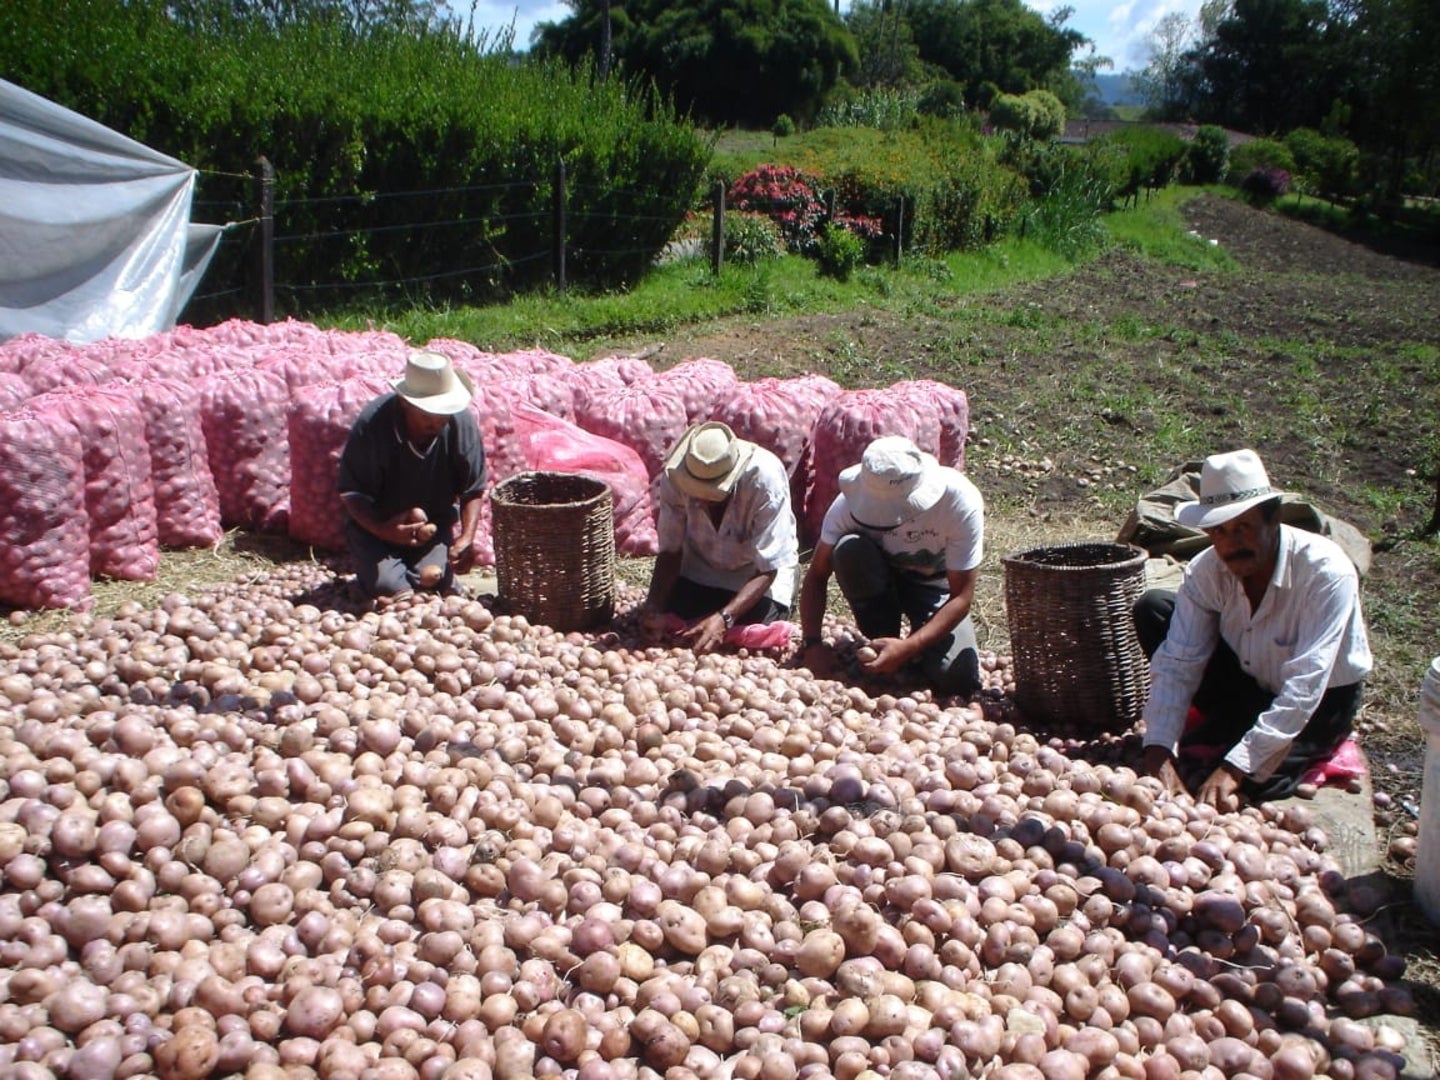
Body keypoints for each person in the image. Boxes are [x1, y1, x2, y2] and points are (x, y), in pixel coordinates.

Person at [1136, 448, 1372, 810]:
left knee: (1258, 780)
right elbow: (1179, 661)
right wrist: (1158, 750)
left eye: (1243, 527)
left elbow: (1307, 683)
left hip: (1321, 701)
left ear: (1273, 518)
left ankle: (1250, 742)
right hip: (1248, 682)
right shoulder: (1206, 571)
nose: (1231, 544)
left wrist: (1235, 768)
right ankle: (1233, 725)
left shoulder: (1325, 572)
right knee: (1155, 609)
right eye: (1219, 530)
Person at [799, 435, 984, 695]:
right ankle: (884, 637)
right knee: (849, 548)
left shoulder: (958, 501)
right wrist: (812, 644)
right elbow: (817, 574)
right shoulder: (845, 508)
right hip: (879, 583)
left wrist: (911, 646)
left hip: (935, 591)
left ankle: (906, 649)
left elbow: (961, 597)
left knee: (957, 679)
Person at [337, 350, 487, 601]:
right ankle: (382, 576)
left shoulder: (461, 423)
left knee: (433, 578)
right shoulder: (373, 424)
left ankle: (417, 573)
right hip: (374, 528)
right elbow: (352, 494)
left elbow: (473, 488)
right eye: (427, 415)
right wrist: (383, 530)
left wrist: (466, 538)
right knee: (390, 588)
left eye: (443, 415)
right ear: (405, 403)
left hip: (433, 527)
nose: (437, 423)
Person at [638, 421, 799, 654]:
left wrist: (725, 618)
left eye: (711, 495)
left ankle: (725, 617)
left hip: (756, 572)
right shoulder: (677, 475)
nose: (701, 501)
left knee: (758, 624)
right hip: (701, 566)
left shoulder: (765, 480)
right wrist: (652, 606)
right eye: (697, 492)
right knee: (671, 617)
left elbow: (768, 567)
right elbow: (670, 551)